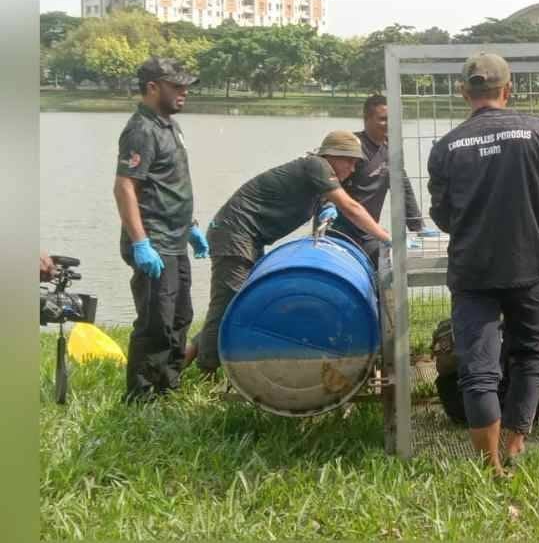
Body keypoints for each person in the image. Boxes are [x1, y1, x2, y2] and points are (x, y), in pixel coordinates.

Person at [427, 52, 539, 473]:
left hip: (472, 270)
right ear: (508, 90)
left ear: (463, 92)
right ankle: (515, 443)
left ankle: (489, 464)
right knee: (529, 355)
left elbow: (441, 216)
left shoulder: (446, 146)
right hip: (525, 264)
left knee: (478, 368)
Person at [185, 131, 392, 375]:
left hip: (248, 237)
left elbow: (326, 199)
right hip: (234, 233)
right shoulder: (316, 164)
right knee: (231, 302)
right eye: (350, 160)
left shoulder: (318, 171)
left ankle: (189, 356)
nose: (353, 168)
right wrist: (388, 237)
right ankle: (206, 370)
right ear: (332, 155)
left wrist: (326, 208)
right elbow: (351, 207)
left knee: (242, 300)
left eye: (357, 162)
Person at [113, 57, 208, 402]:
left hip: (175, 238)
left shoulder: (169, 125)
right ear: (153, 87)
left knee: (181, 315)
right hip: (154, 240)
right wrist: (140, 243)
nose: (184, 92)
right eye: (176, 86)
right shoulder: (142, 129)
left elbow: (171, 185)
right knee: (156, 322)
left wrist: (192, 226)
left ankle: (169, 385)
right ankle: (141, 396)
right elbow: (125, 187)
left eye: (185, 86)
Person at [326, 94, 433, 266]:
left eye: (393, 119)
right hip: (340, 232)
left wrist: (418, 226)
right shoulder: (352, 148)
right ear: (366, 119)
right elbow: (327, 185)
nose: (389, 124)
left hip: (369, 231)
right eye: (383, 119)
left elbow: (402, 186)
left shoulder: (392, 147)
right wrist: (327, 206)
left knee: (389, 269)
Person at [432, 320, 539, 425]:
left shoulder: (448, 375)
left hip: (466, 412)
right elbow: (528, 381)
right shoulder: (487, 353)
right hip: (507, 408)